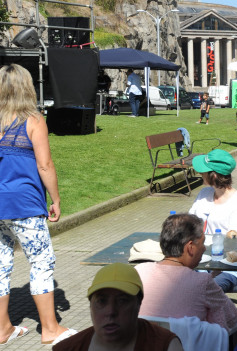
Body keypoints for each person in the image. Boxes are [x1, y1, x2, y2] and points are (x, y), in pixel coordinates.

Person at [0, 64, 76, 346]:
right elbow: (44, 165)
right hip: (25, 205)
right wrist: (55, 199)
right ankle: (50, 328)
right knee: (41, 263)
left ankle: (3, 328)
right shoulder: (33, 120)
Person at [135, 214, 237, 330]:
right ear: (190, 247)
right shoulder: (203, 283)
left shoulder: (138, 272)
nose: (204, 248)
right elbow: (232, 319)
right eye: (202, 243)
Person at [53, 263, 182, 351]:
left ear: (138, 303)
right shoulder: (67, 348)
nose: (111, 311)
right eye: (102, 301)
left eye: (122, 301)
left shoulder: (165, 346)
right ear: (90, 306)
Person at [188, 149, 237, 292]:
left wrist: (217, 270)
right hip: (202, 259)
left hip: (231, 263)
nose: (200, 174)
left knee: (211, 289)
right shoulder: (204, 193)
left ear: (214, 175)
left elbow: (234, 245)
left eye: (203, 171)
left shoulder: (236, 203)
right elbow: (189, 223)